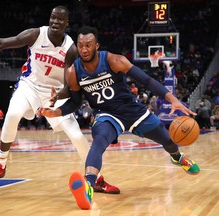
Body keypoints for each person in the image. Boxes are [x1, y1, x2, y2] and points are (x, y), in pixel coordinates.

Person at [0, 6, 119, 194]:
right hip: (29, 86)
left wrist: (57, 98)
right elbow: (0, 43)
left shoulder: (71, 49)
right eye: (53, 17)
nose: (55, 22)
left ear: (67, 24)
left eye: (60, 19)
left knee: (76, 136)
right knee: (12, 114)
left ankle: (97, 179)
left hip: (55, 94)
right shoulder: (36, 34)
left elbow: (69, 84)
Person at [37, 26, 200, 210]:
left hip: (133, 111)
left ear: (96, 46)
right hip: (107, 115)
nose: (83, 49)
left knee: (167, 140)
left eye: (88, 45)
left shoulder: (114, 60)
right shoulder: (73, 72)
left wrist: (172, 99)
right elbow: (74, 102)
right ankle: (88, 186)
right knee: (98, 141)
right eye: (81, 45)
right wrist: (55, 112)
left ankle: (177, 158)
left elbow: (146, 80)